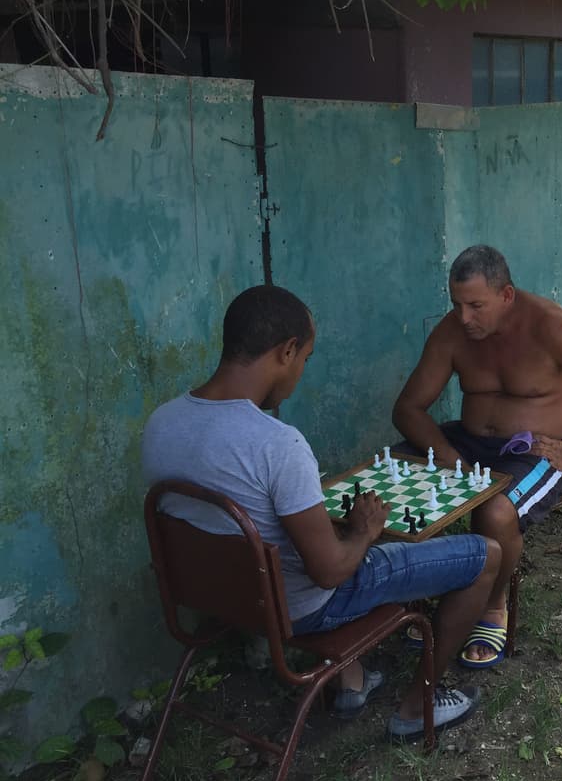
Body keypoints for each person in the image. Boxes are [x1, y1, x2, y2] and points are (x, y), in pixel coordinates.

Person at [141, 285, 502, 742]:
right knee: (485, 555)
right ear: (286, 351)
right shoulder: (277, 445)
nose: (300, 371)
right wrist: (366, 531)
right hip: (300, 608)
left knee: (329, 530)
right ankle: (418, 707)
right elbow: (331, 571)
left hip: (219, 597)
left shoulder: (162, 423)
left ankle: (351, 683)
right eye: (305, 358)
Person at [393, 245, 562, 668]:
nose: (464, 317)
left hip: (537, 451)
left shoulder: (548, 326)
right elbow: (408, 408)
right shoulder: (453, 331)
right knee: (389, 481)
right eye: (457, 305)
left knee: (494, 512)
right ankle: (409, 600)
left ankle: (493, 607)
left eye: (476, 305)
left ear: (507, 295)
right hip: (469, 445)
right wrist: (451, 457)